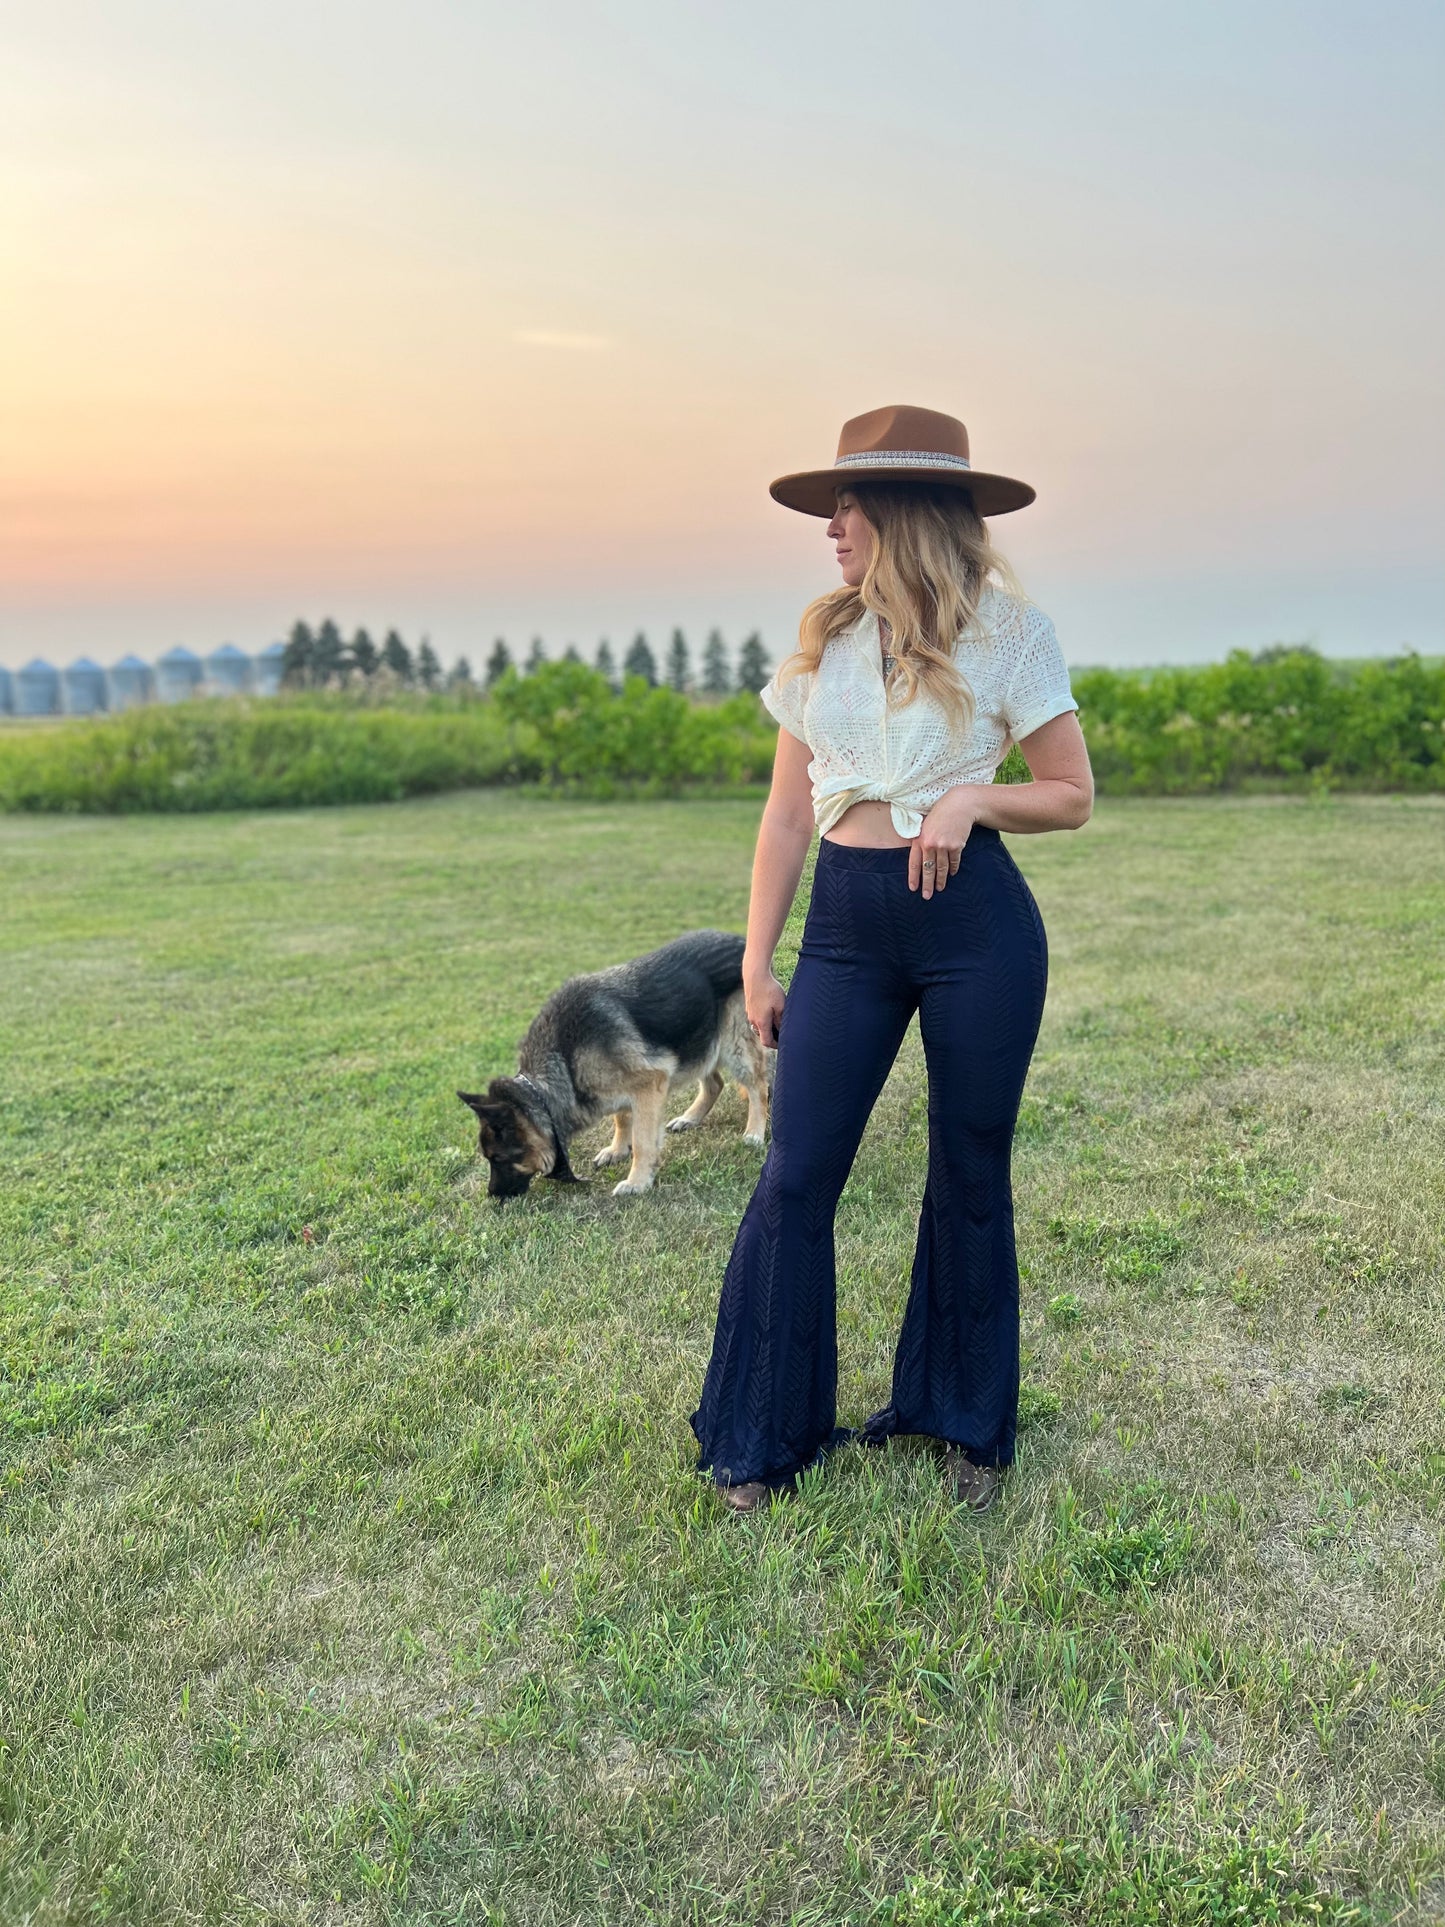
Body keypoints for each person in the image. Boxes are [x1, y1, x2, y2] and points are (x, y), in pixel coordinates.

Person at [690, 404, 1095, 1515]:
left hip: (975, 931)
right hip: (846, 927)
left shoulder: (1011, 635)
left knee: (968, 1172)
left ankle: (960, 1418)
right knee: (796, 1172)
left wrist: (970, 796)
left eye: (847, 506)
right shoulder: (823, 638)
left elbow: (1069, 792)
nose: (831, 526)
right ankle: (764, 1432)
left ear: (906, 513)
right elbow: (783, 819)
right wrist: (758, 963)